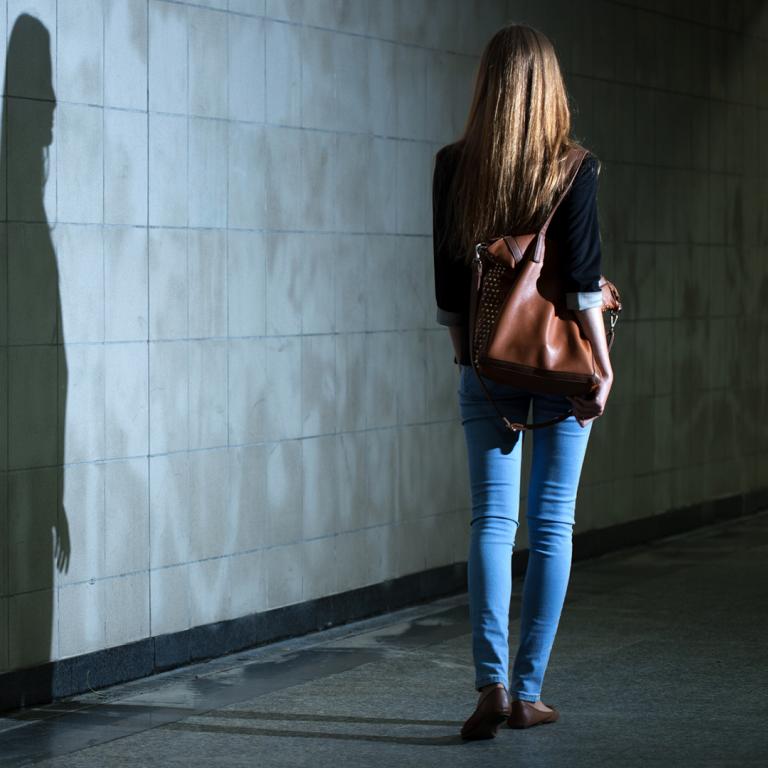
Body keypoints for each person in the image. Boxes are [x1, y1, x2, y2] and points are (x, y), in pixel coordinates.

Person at [431, 23, 614, 740]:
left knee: (490, 522)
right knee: (552, 522)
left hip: (485, 365)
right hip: (562, 367)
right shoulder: (572, 168)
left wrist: (471, 363)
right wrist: (600, 367)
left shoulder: (454, 166)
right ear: (550, 90)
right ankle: (529, 690)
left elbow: (449, 289)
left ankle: (491, 683)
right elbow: (582, 286)